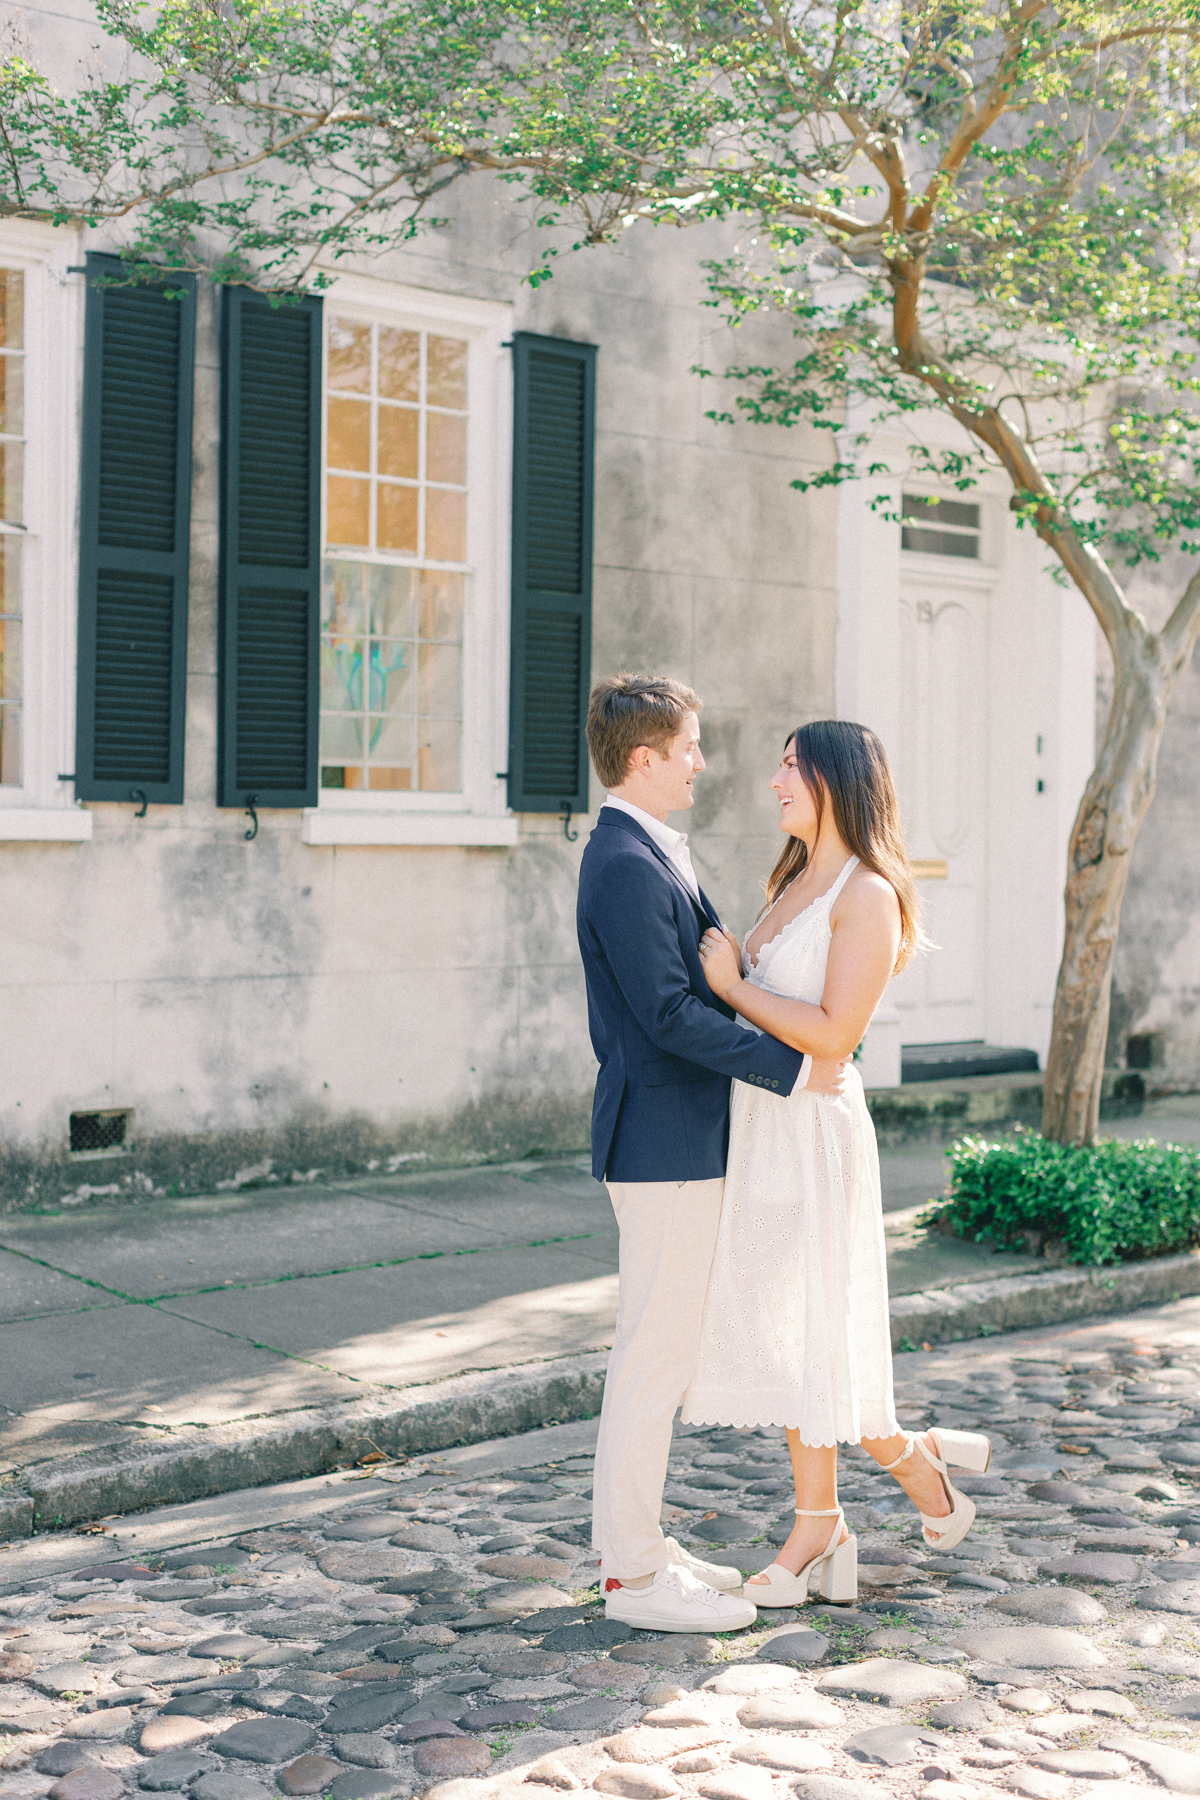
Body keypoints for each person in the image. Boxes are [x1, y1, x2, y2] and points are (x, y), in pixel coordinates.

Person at [681, 720, 991, 1604]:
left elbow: (833, 1033)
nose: (775, 780)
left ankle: (855, 1502)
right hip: (766, 1123)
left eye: (792, 766)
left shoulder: (868, 894)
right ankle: (857, 1499)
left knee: (814, 1327)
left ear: (837, 781)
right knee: (790, 1333)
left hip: (814, 1134)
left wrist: (735, 985)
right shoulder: (791, 877)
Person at [577, 673, 849, 1634]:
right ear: (645, 758)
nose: (703, 762)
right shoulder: (621, 860)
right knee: (651, 1360)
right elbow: (666, 1013)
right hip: (661, 1143)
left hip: (680, 1140)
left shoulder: (649, 849)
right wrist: (791, 1065)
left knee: (658, 1355)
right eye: (690, 747)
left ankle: (634, 1550)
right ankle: (633, 1579)